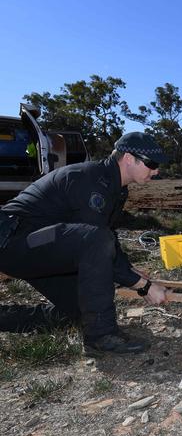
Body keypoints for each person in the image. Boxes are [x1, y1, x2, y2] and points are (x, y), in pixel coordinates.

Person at [0, 132, 168, 354]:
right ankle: (101, 337)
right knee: (96, 240)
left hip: (44, 244)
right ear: (128, 158)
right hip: (12, 242)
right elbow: (95, 238)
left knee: (80, 312)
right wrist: (142, 286)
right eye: (152, 164)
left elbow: (106, 234)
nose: (156, 171)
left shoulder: (115, 187)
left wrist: (128, 270)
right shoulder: (91, 181)